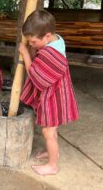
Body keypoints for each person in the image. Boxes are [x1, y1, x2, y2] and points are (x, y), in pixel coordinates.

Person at [18, 10, 79, 176]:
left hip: (54, 96)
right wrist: (32, 47)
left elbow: (37, 77)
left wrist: (25, 54)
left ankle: (52, 165)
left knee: (48, 131)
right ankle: (54, 153)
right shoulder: (57, 40)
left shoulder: (51, 54)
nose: (31, 44)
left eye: (33, 41)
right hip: (58, 91)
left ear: (47, 35)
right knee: (52, 129)